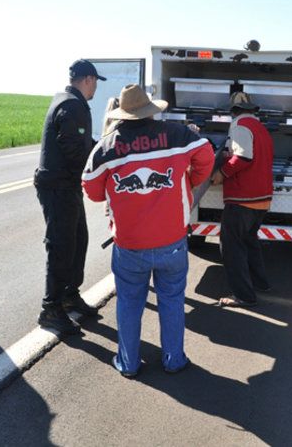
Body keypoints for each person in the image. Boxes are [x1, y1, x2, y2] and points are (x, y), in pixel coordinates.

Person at [82, 84, 213, 377]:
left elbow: (91, 189)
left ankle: (128, 364)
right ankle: (173, 360)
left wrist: (117, 193)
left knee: (129, 304)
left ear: (123, 114)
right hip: (173, 242)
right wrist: (189, 182)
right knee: (172, 302)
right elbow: (206, 157)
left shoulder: (106, 146)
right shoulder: (179, 135)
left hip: (129, 245)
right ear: (151, 110)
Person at [34, 59, 105, 335]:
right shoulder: (71, 105)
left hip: (67, 186)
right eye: (95, 81)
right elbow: (74, 149)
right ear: (87, 79)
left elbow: (80, 145)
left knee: (78, 241)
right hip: (58, 187)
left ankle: (69, 295)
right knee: (62, 246)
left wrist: (103, 150)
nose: (95, 87)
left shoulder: (70, 101)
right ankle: (50, 309)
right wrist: (101, 162)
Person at [211, 92, 274, 308]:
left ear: (234, 112)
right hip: (262, 198)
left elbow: (244, 156)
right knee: (249, 241)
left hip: (243, 198)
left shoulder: (240, 125)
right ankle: (261, 282)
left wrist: (222, 173)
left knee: (231, 247)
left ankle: (243, 295)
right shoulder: (260, 127)